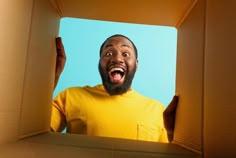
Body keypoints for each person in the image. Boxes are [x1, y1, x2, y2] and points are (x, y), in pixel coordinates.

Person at [51, 34, 177, 143]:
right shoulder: (70, 96)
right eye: (109, 53)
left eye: (126, 54)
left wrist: (173, 136)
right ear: (99, 63)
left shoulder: (158, 111)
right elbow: (35, 133)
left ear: (136, 65)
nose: (117, 59)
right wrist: (50, 78)